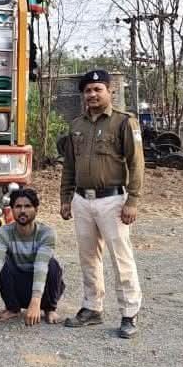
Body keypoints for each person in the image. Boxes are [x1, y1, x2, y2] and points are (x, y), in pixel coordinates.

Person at [60, 69, 145, 339]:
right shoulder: (76, 125)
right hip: (82, 200)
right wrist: (66, 197)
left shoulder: (124, 122)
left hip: (113, 200)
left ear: (110, 91)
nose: (92, 94)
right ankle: (92, 307)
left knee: (121, 258)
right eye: (88, 90)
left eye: (98, 89)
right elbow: (69, 165)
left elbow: (136, 163)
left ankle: (129, 313)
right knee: (88, 257)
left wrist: (132, 200)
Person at [0, 187, 65, 325]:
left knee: (52, 264)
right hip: (18, 285)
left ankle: (50, 309)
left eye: (27, 206)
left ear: (36, 210)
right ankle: (12, 308)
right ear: (12, 210)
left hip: (40, 287)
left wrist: (35, 301)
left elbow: (41, 267)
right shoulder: (3, 232)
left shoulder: (47, 233)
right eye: (18, 206)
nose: (22, 210)